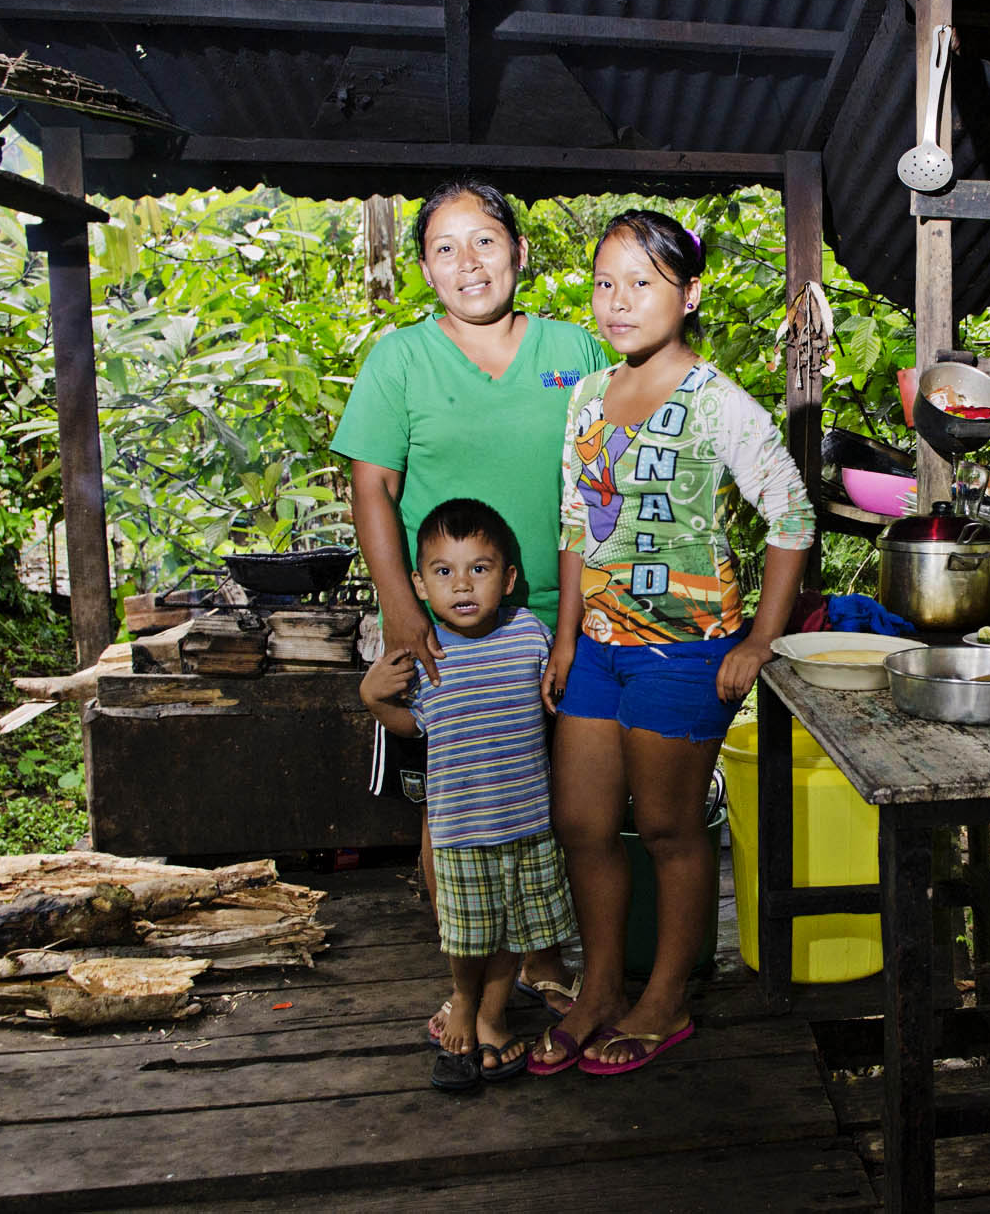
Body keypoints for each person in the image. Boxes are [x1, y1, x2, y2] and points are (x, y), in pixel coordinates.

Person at [529, 209, 814, 1076]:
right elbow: (576, 525)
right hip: (600, 652)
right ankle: (601, 985)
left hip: (683, 651)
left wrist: (761, 640)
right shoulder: (585, 398)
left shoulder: (717, 401)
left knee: (666, 827)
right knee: (581, 825)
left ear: (688, 295)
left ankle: (667, 995)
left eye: (642, 283)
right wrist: (568, 640)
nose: (618, 302)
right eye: (605, 283)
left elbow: (791, 515)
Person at [332, 179, 605, 1038]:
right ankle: (466, 983)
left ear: (519, 253)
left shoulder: (578, 350)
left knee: (563, 798)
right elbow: (371, 486)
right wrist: (401, 608)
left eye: (484, 241)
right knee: (456, 804)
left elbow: (607, 480)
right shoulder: (400, 360)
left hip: (570, 617)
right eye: (445, 248)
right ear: (424, 268)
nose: (468, 263)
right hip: (447, 628)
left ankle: (547, 960)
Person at [359, 498, 578, 1090]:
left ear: (507, 580)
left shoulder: (530, 633)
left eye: (479, 569)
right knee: (467, 934)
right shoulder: (426, 654)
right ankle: (462, 997)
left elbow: (555, 699)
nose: (462, 585)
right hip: (459, 831)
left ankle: (489, 1015)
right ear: (418, 582)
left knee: (512, 931)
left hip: (528, 823)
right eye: (444, 571)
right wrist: (374, 700)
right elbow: (417, 727)